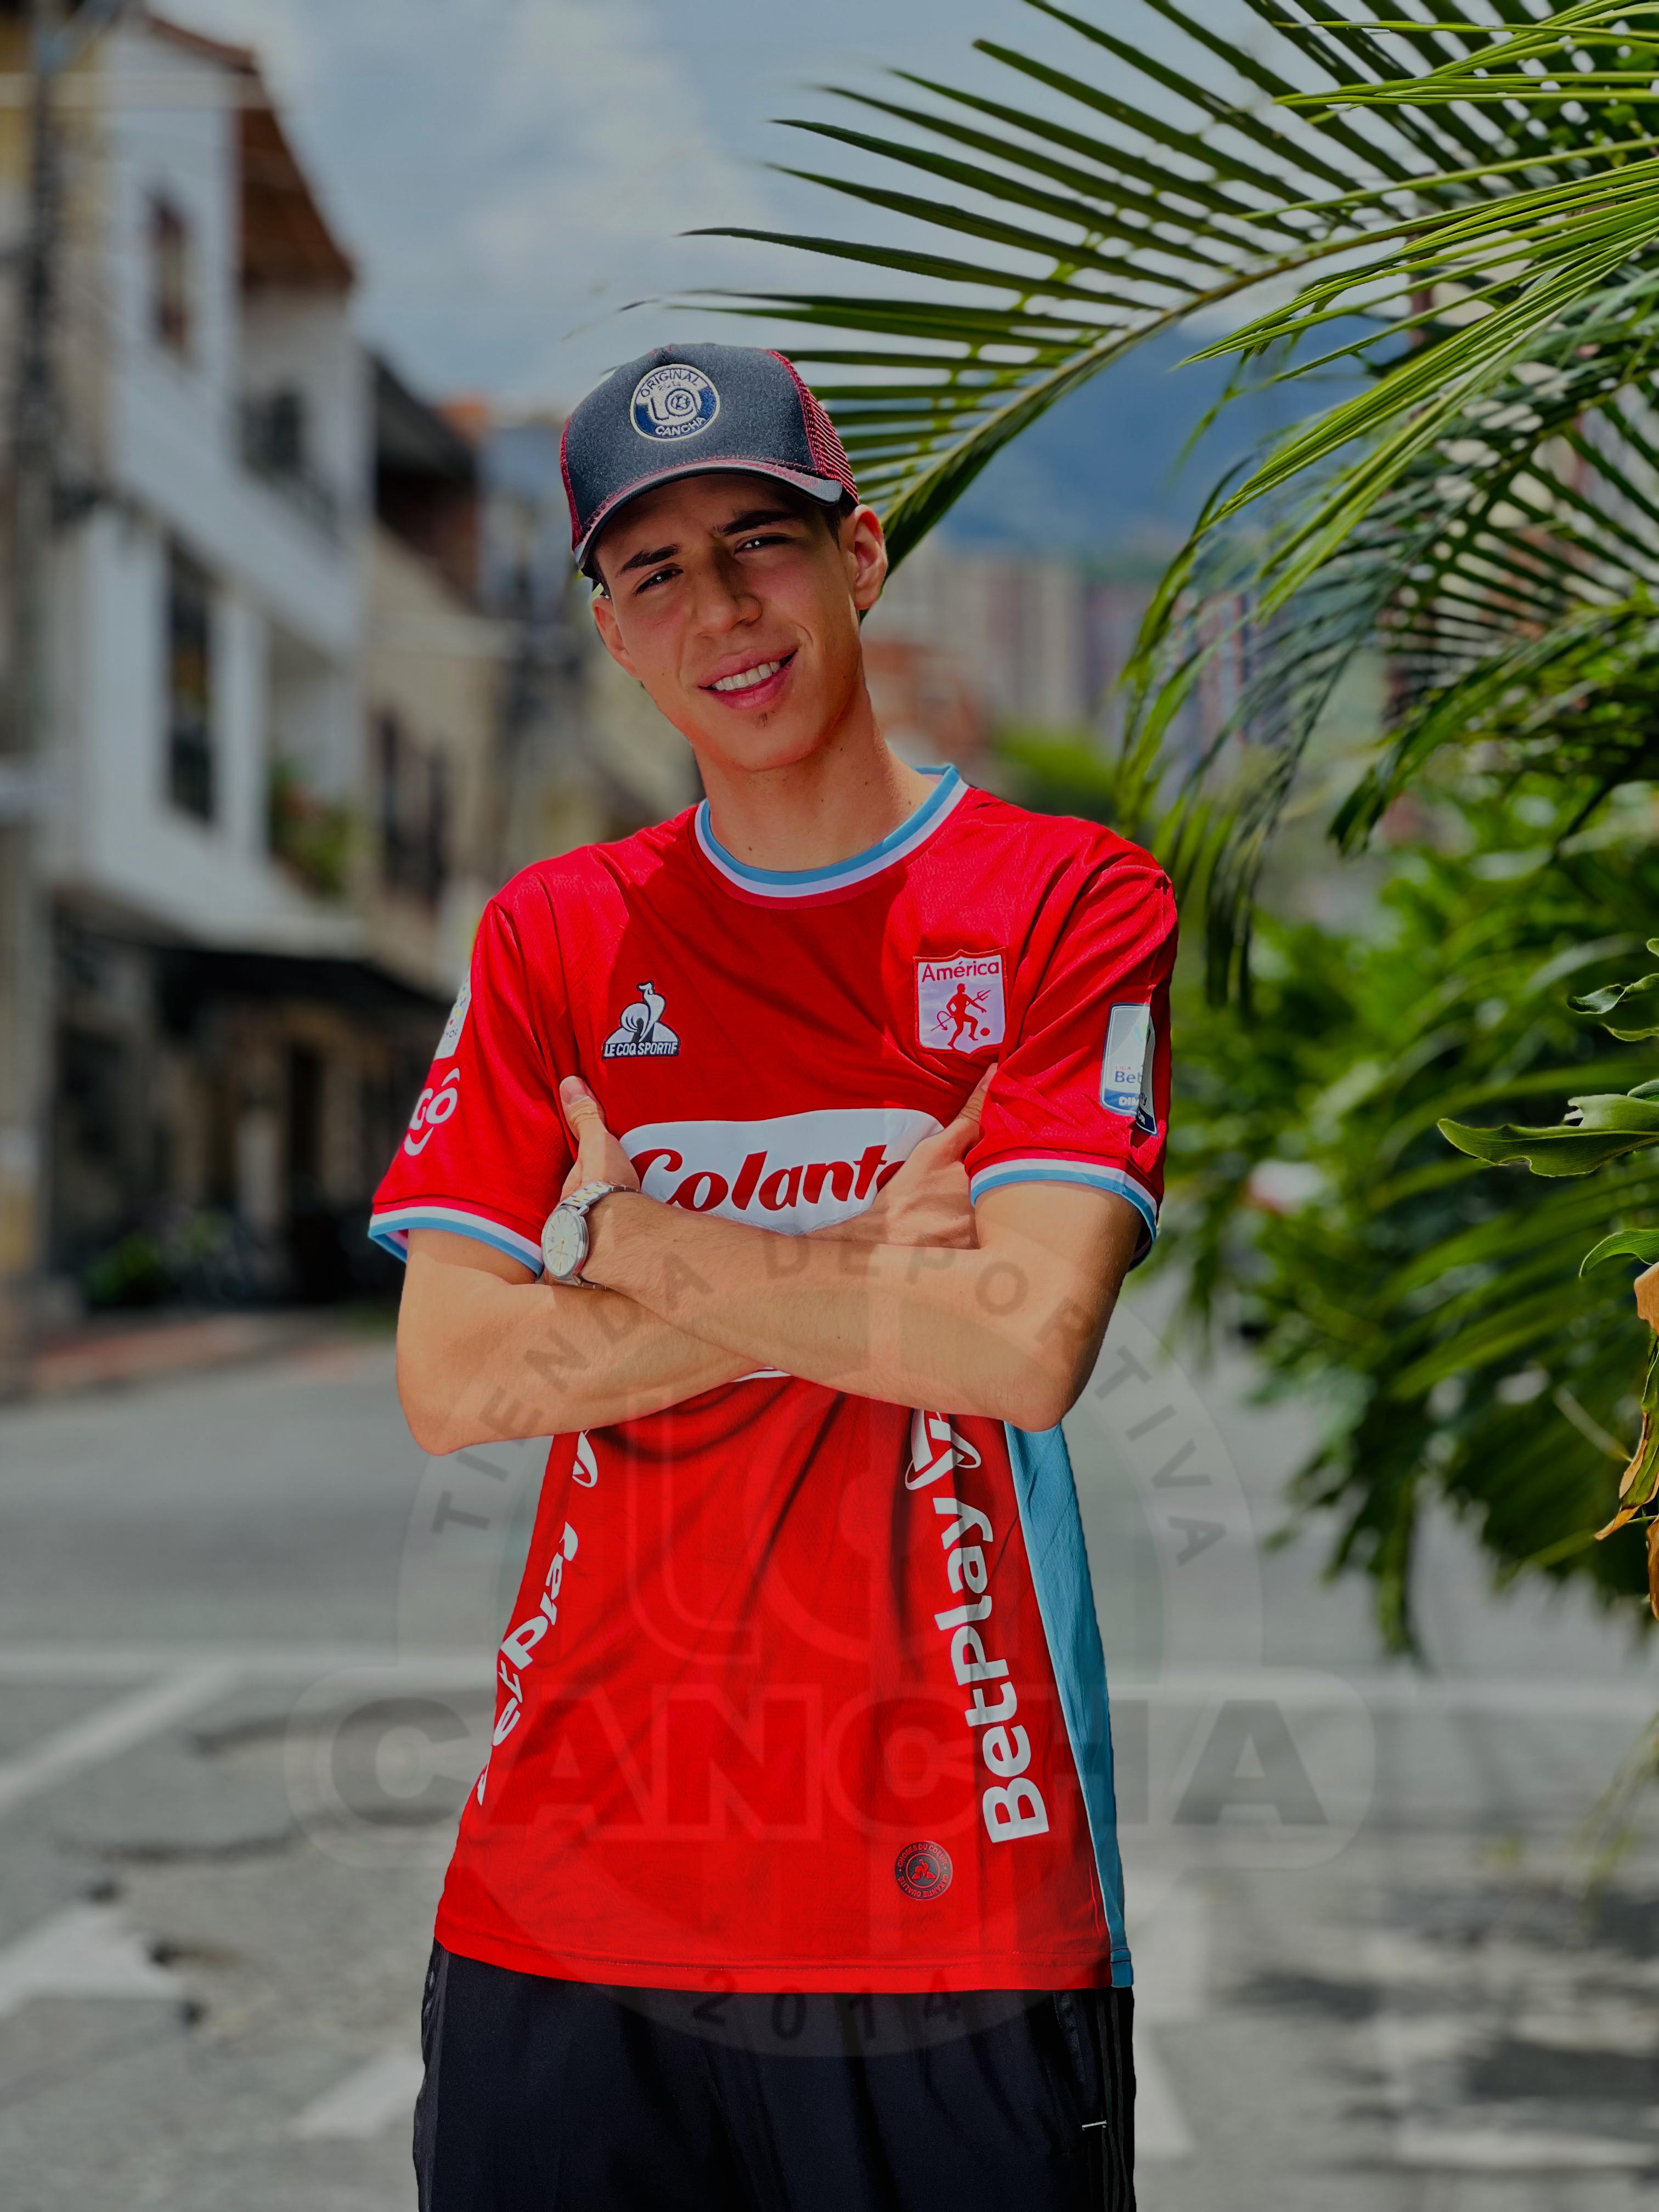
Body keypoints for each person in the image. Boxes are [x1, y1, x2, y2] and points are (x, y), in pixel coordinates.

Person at [372, 342, 1175, 2211]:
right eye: (656, 573)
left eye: (762, 544)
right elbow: (457, 1379)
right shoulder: (558, 937)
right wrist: (839, 1277)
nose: (722, 610)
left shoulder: (1068, 901)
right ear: (608, 631)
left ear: (862, 557)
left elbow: (1021, 1341)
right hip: (563, 1900)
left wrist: (636, 1241)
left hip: (954, 1915)